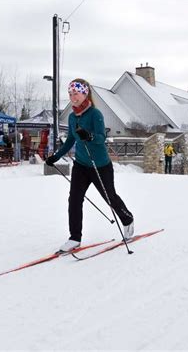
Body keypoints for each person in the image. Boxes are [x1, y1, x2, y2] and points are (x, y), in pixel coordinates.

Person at [45, 78, 134, 252]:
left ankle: (128, 219)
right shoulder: (72, 117)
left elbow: (101, 138)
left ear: (85, 93)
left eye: (76, 93)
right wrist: (55, 157)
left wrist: (89, 136)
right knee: (74, 200)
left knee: (110, 198)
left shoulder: (95, 114)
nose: (72, 97)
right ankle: (74, 238)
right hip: (81, 165)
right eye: (70, 94)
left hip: (100, 165)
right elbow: (70, 140)